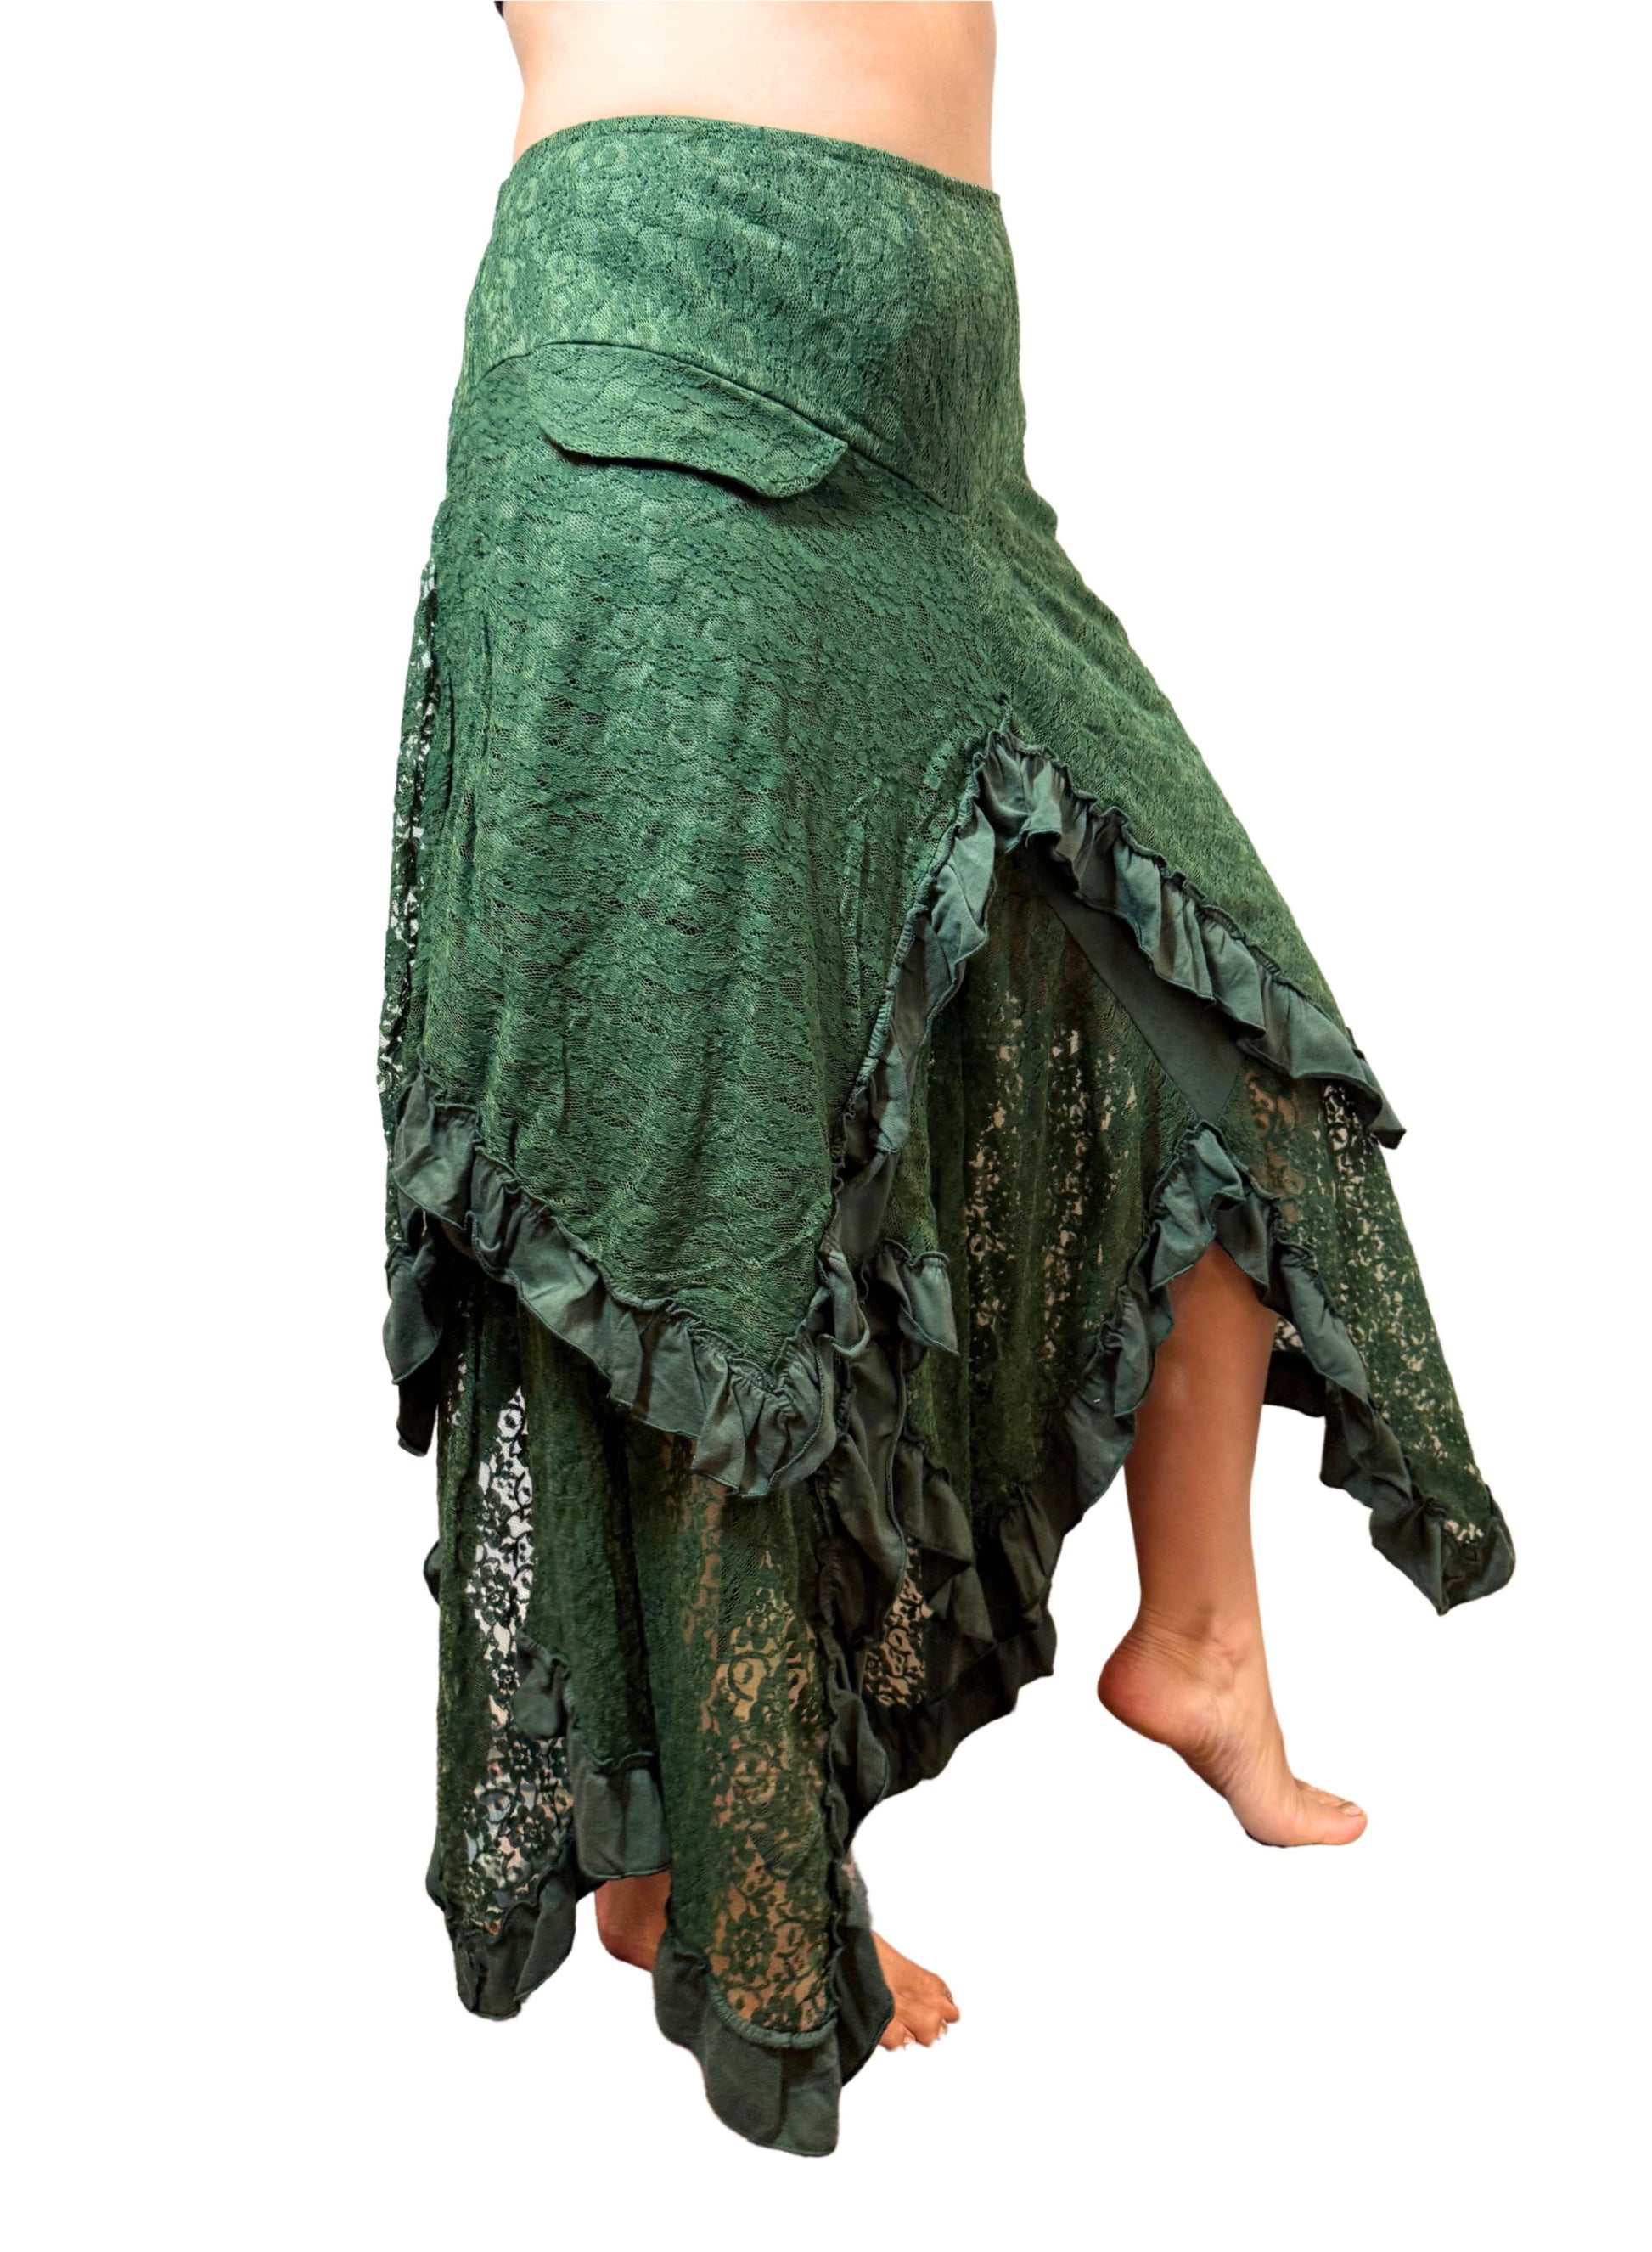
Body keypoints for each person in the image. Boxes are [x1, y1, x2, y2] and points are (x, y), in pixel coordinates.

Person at [379, 1, 1512, 2154]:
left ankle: (1200, 1638)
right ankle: (722, 1871)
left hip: (944, 433)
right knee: (707, 1169)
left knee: (1213, 1003)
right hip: (666, 363)